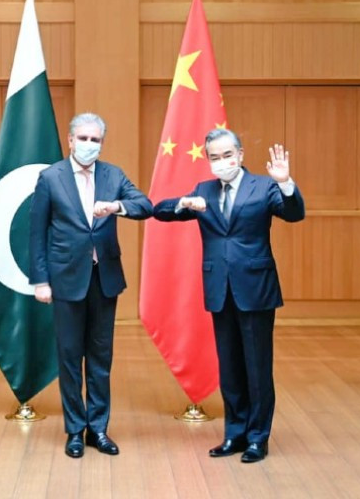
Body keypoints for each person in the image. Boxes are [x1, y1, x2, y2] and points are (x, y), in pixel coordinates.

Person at [152, 128, 305, 463]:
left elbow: (294, 213)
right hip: (220, 289)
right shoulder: (204, 189)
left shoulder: (264, 186)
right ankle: (234, 434)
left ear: (240, 154)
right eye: (215, 157)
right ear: (207, 159)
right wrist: (183, 203)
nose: (222, 162)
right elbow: (159, 211)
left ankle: (257, 438)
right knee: (231, 367)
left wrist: (285, 182)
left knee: (257, 366)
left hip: (256, 289)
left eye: (227, 155)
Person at [29, 112, 153, 458]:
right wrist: (40, 280)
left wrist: (117, 206)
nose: (88, 145)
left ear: (102, 143)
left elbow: (145, 205)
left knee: (100, 358)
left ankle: (98, 429)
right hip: (65, 280)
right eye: (82, 139)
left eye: (94, 140)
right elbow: (36, 233)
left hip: (104, 279)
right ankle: (74, 430)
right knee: (69, 358)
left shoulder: (113, 175)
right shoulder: (50, 177)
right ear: (70, 141)